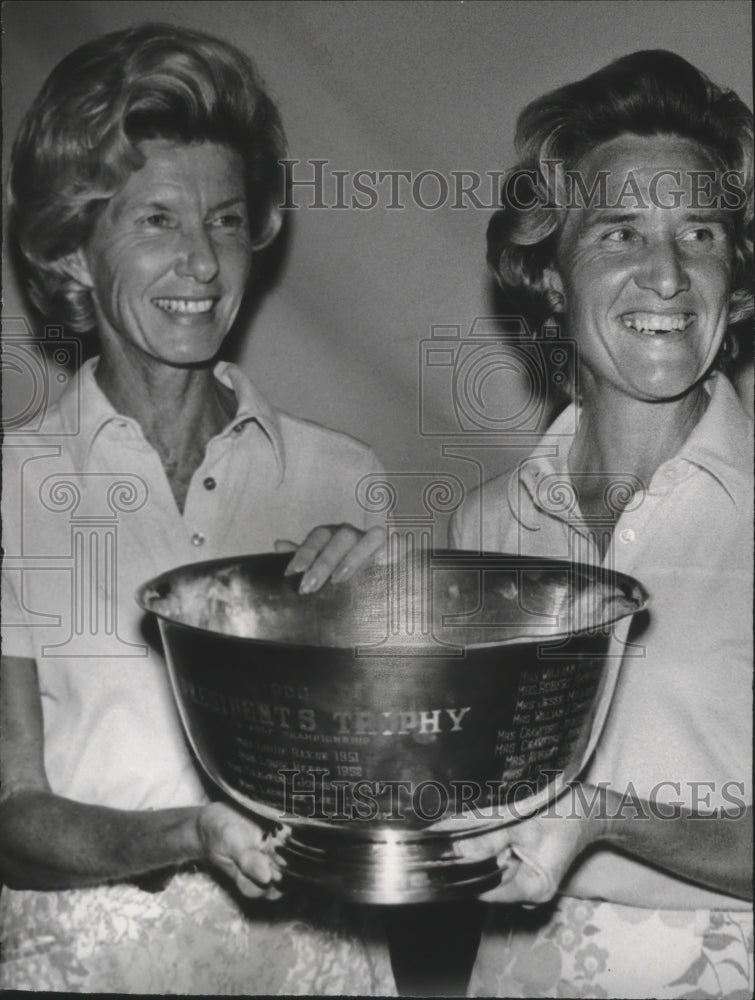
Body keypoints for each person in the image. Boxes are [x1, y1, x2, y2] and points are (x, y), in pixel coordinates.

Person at [0, 23, 392, 995]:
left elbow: (399, 793)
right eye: (157, 221)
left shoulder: (341, 479)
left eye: (223, 220)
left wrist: (373, 631)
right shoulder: (12, 486)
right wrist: (183, 833)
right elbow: (11, 816)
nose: (204, 264)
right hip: (96, 965)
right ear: (72, 255)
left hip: (315, 963)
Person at [449, 50, 754, 998]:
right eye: (618, 231)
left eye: (698, 231)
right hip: (513, 972)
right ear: (546, 273)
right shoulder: (486, 524)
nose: (665, 274)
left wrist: (603, 815)